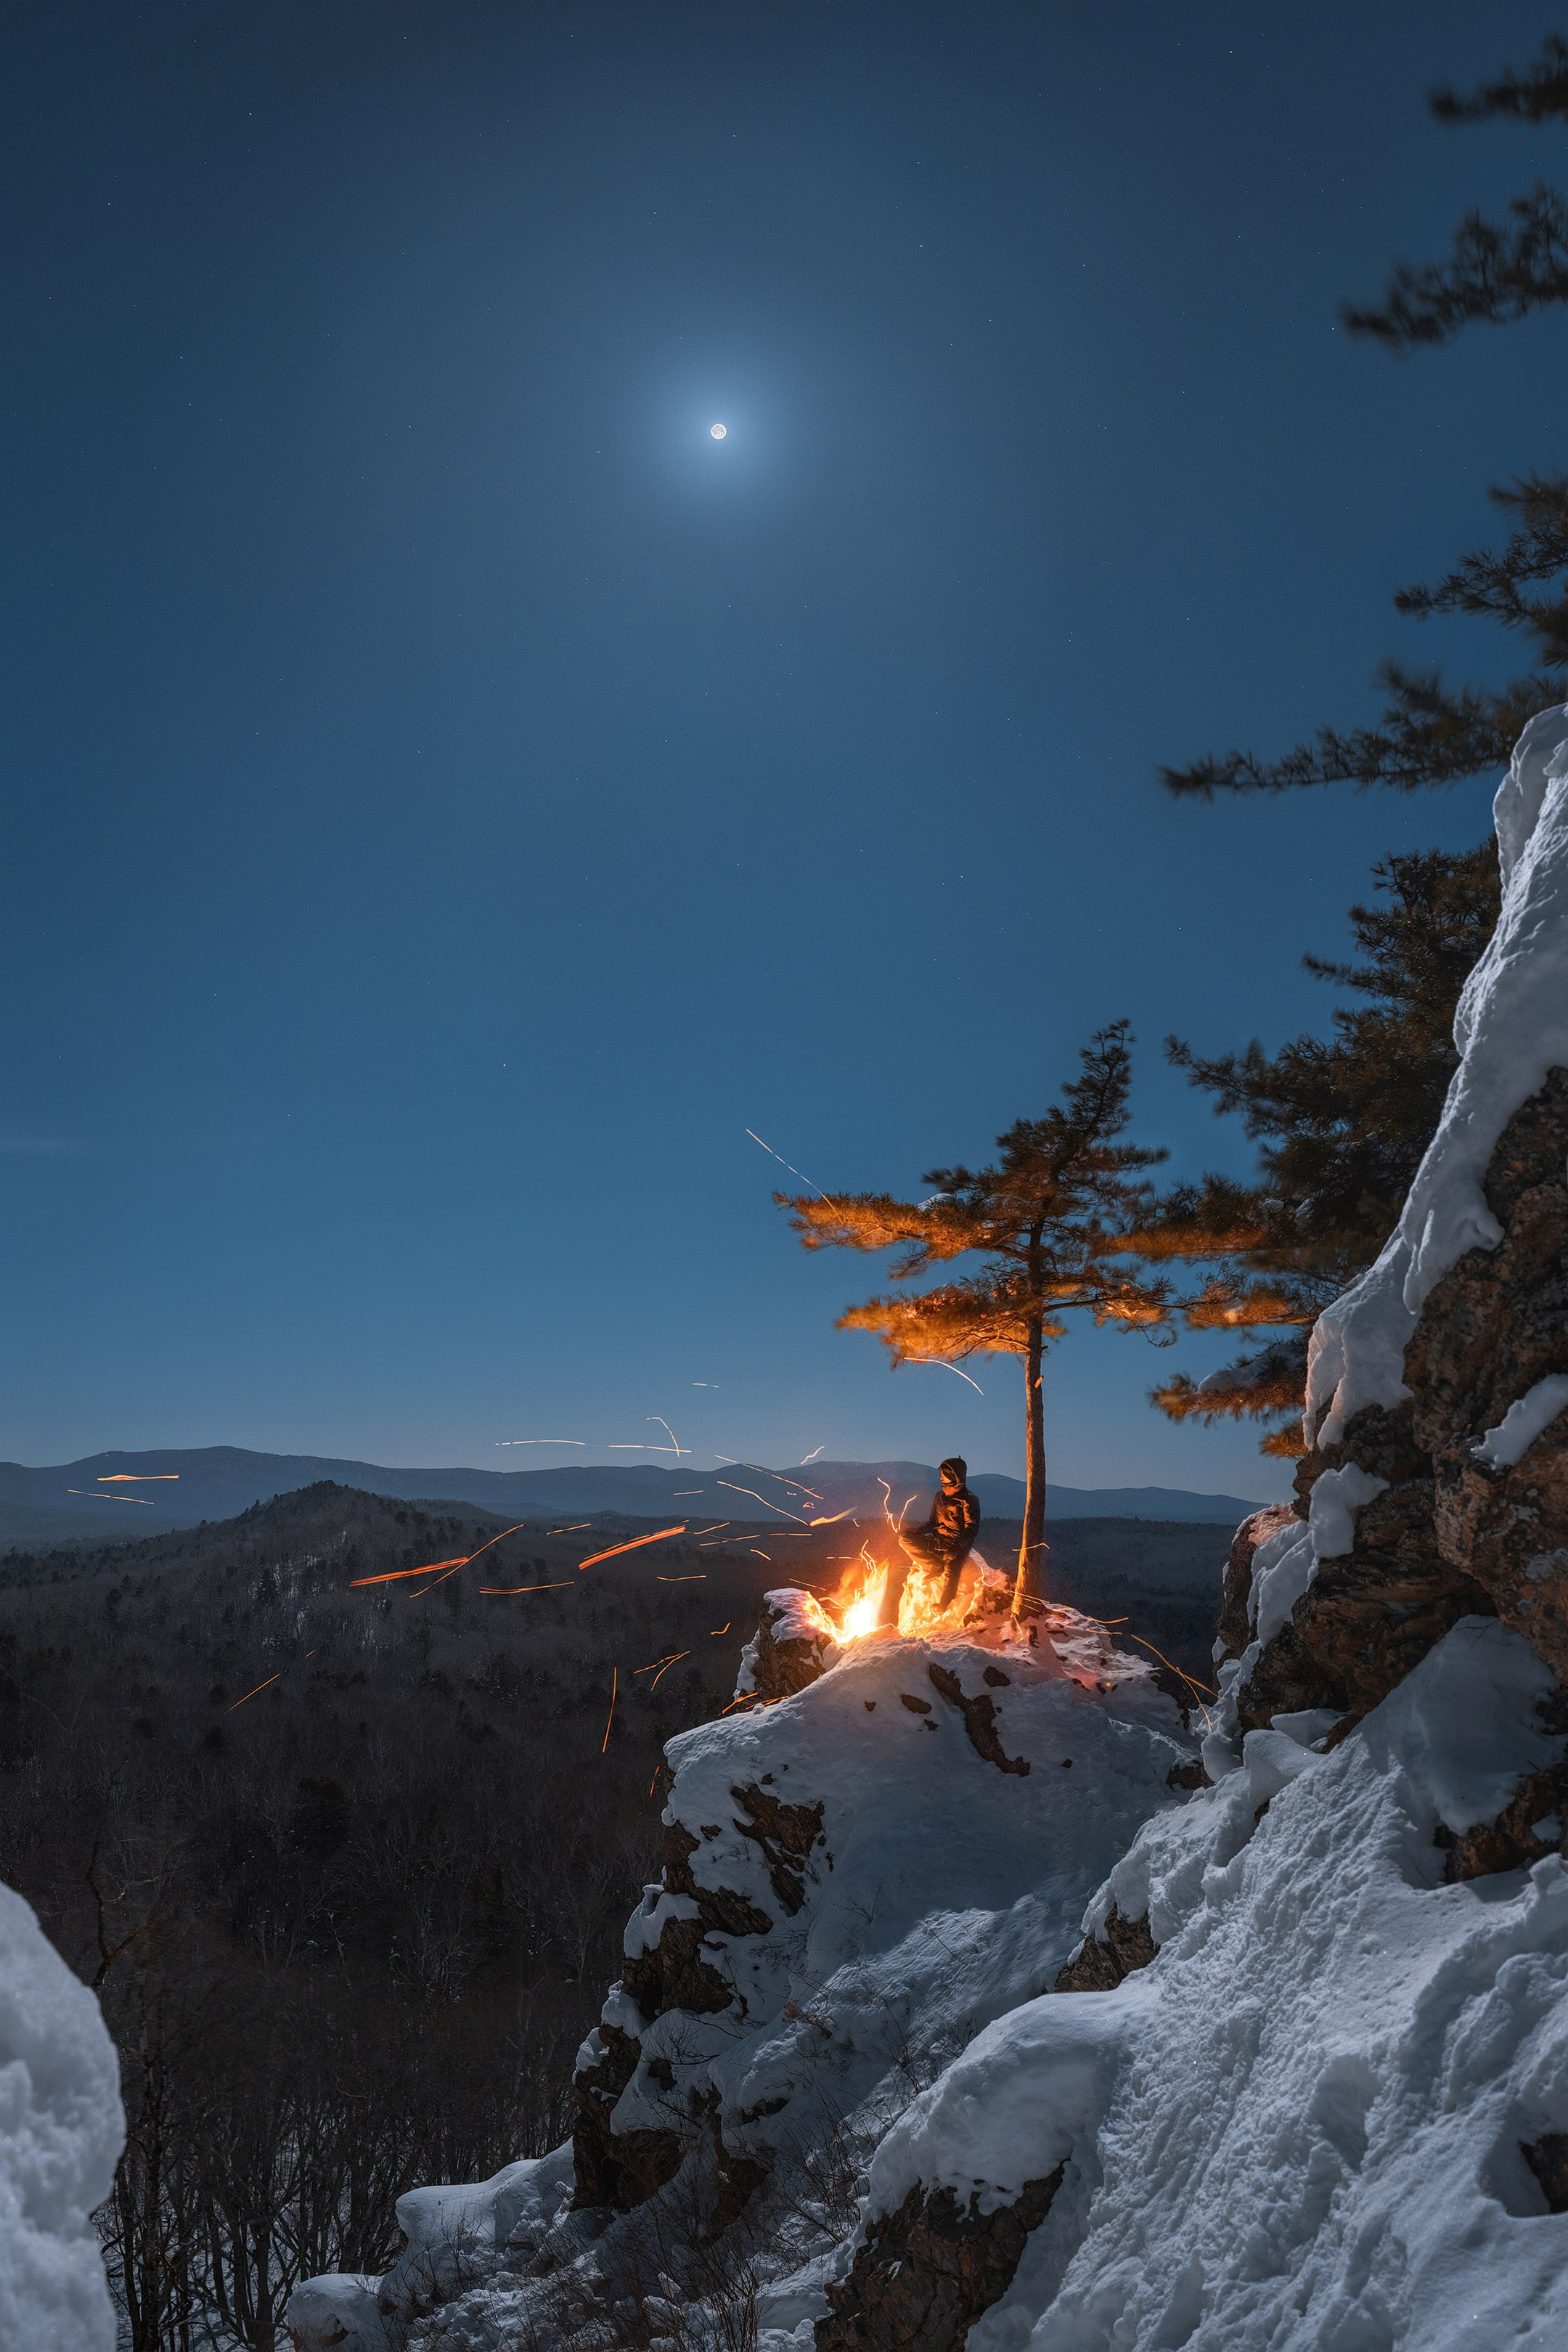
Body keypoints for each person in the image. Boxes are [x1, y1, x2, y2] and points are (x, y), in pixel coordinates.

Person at [885, 1456, 981, 1625]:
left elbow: (971, 1529)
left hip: (957, 1543)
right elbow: (932, 1523)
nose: (941, 1476)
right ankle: (934, 1566)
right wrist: (915, 1532)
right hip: (939, 1539)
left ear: (955, 1476)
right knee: (905, 1540)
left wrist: (957, 1548)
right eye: (941, 1473)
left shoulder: (969, 1500)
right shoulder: (940, 1496)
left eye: (944, 1473)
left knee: (952, 1568)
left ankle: (943, 1604)